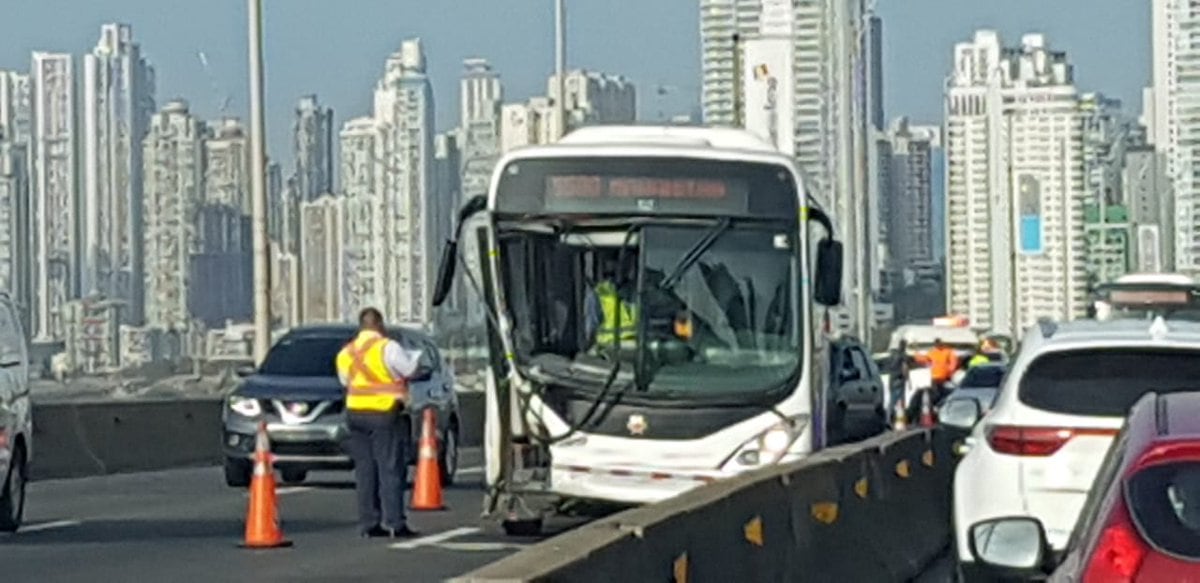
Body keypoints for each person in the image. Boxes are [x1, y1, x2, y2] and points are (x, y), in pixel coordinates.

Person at [335, 308, 422, 539]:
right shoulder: (388, 347)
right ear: (379, 325)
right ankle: (395, 522)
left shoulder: (346, 353)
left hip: (355, 413)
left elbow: (345, 381)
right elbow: (409, 369)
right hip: (384, 412)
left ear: (361, 326)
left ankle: (369, 523)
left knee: (365, 470)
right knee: (390, 468)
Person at [584, 258, 639, 354]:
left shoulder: (597, 294)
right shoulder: (598, 295)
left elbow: (590, 330)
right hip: (611, 349)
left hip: (613, 349)